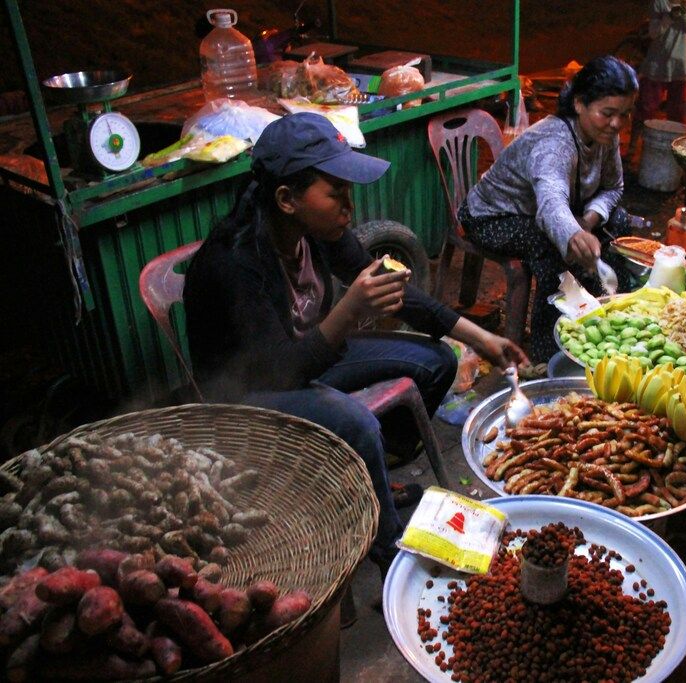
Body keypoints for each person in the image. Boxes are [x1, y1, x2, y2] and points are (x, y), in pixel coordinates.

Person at [183, 113, 527, 577]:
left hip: (309, 357)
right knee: (356, 422)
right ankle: (387, 548)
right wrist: (347, 311)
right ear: (287, 199)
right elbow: (280, 370)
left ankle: (365, 480)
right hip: (250, 395)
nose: (349, 205)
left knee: (436, 361)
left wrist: (481, 338)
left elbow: (399, 293)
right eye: (336, 192)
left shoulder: (316, 232)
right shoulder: (234, 264)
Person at [459, 56, 640, 361]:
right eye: (608, 113)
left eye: (624, 114)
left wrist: (588, 220)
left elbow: (613, 187)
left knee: (618, 222)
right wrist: (573, 232)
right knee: (551, 249)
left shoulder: (604, 134)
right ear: (580, 104)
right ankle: (549, 352)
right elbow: (551, 203)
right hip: (491, 216)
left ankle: (603, 314)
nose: (617, 123)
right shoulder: (554, 144)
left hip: (554, 211)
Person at [628, 0, 686, 162]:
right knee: (645, 107)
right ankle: (632, 149)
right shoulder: (660, 2)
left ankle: (675, 154)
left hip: (679, 65)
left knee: (677, 111)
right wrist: (669, 17)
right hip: (657, 63)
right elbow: (654, 32)